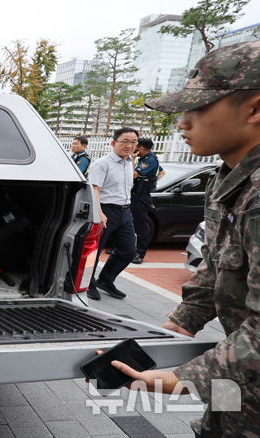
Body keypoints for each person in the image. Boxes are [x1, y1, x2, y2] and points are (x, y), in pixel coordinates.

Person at [109, 40, 260, 437]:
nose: (182, 122)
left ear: (255, 109)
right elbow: (216, 265)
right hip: (240, 382)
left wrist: (179, 379)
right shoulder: (227, 179)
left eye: (198, 109)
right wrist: (181, 324)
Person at [85, 127, 138, 300]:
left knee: (128, 251)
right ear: (114, 143)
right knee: (95, 251)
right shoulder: (102, 163)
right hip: (105, 210)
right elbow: (94, 189)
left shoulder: (129, 162)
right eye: (125, 141)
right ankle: (88, 283)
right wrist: (99, 213)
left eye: (133, 142)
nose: (129, 145)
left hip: (125, 212)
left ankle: (106, 280)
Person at [129, 137, 165, 264]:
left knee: (141, 226)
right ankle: (127, 250)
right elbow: (162, 172)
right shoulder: (146, 159)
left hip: (141, 196)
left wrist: (149, 184)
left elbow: (133, 175)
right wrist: (152, 180)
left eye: (136, 146)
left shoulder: (150, 160)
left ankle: (140, 253)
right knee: (129, 223)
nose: (134, 148)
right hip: (135, 194)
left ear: (142, 148)